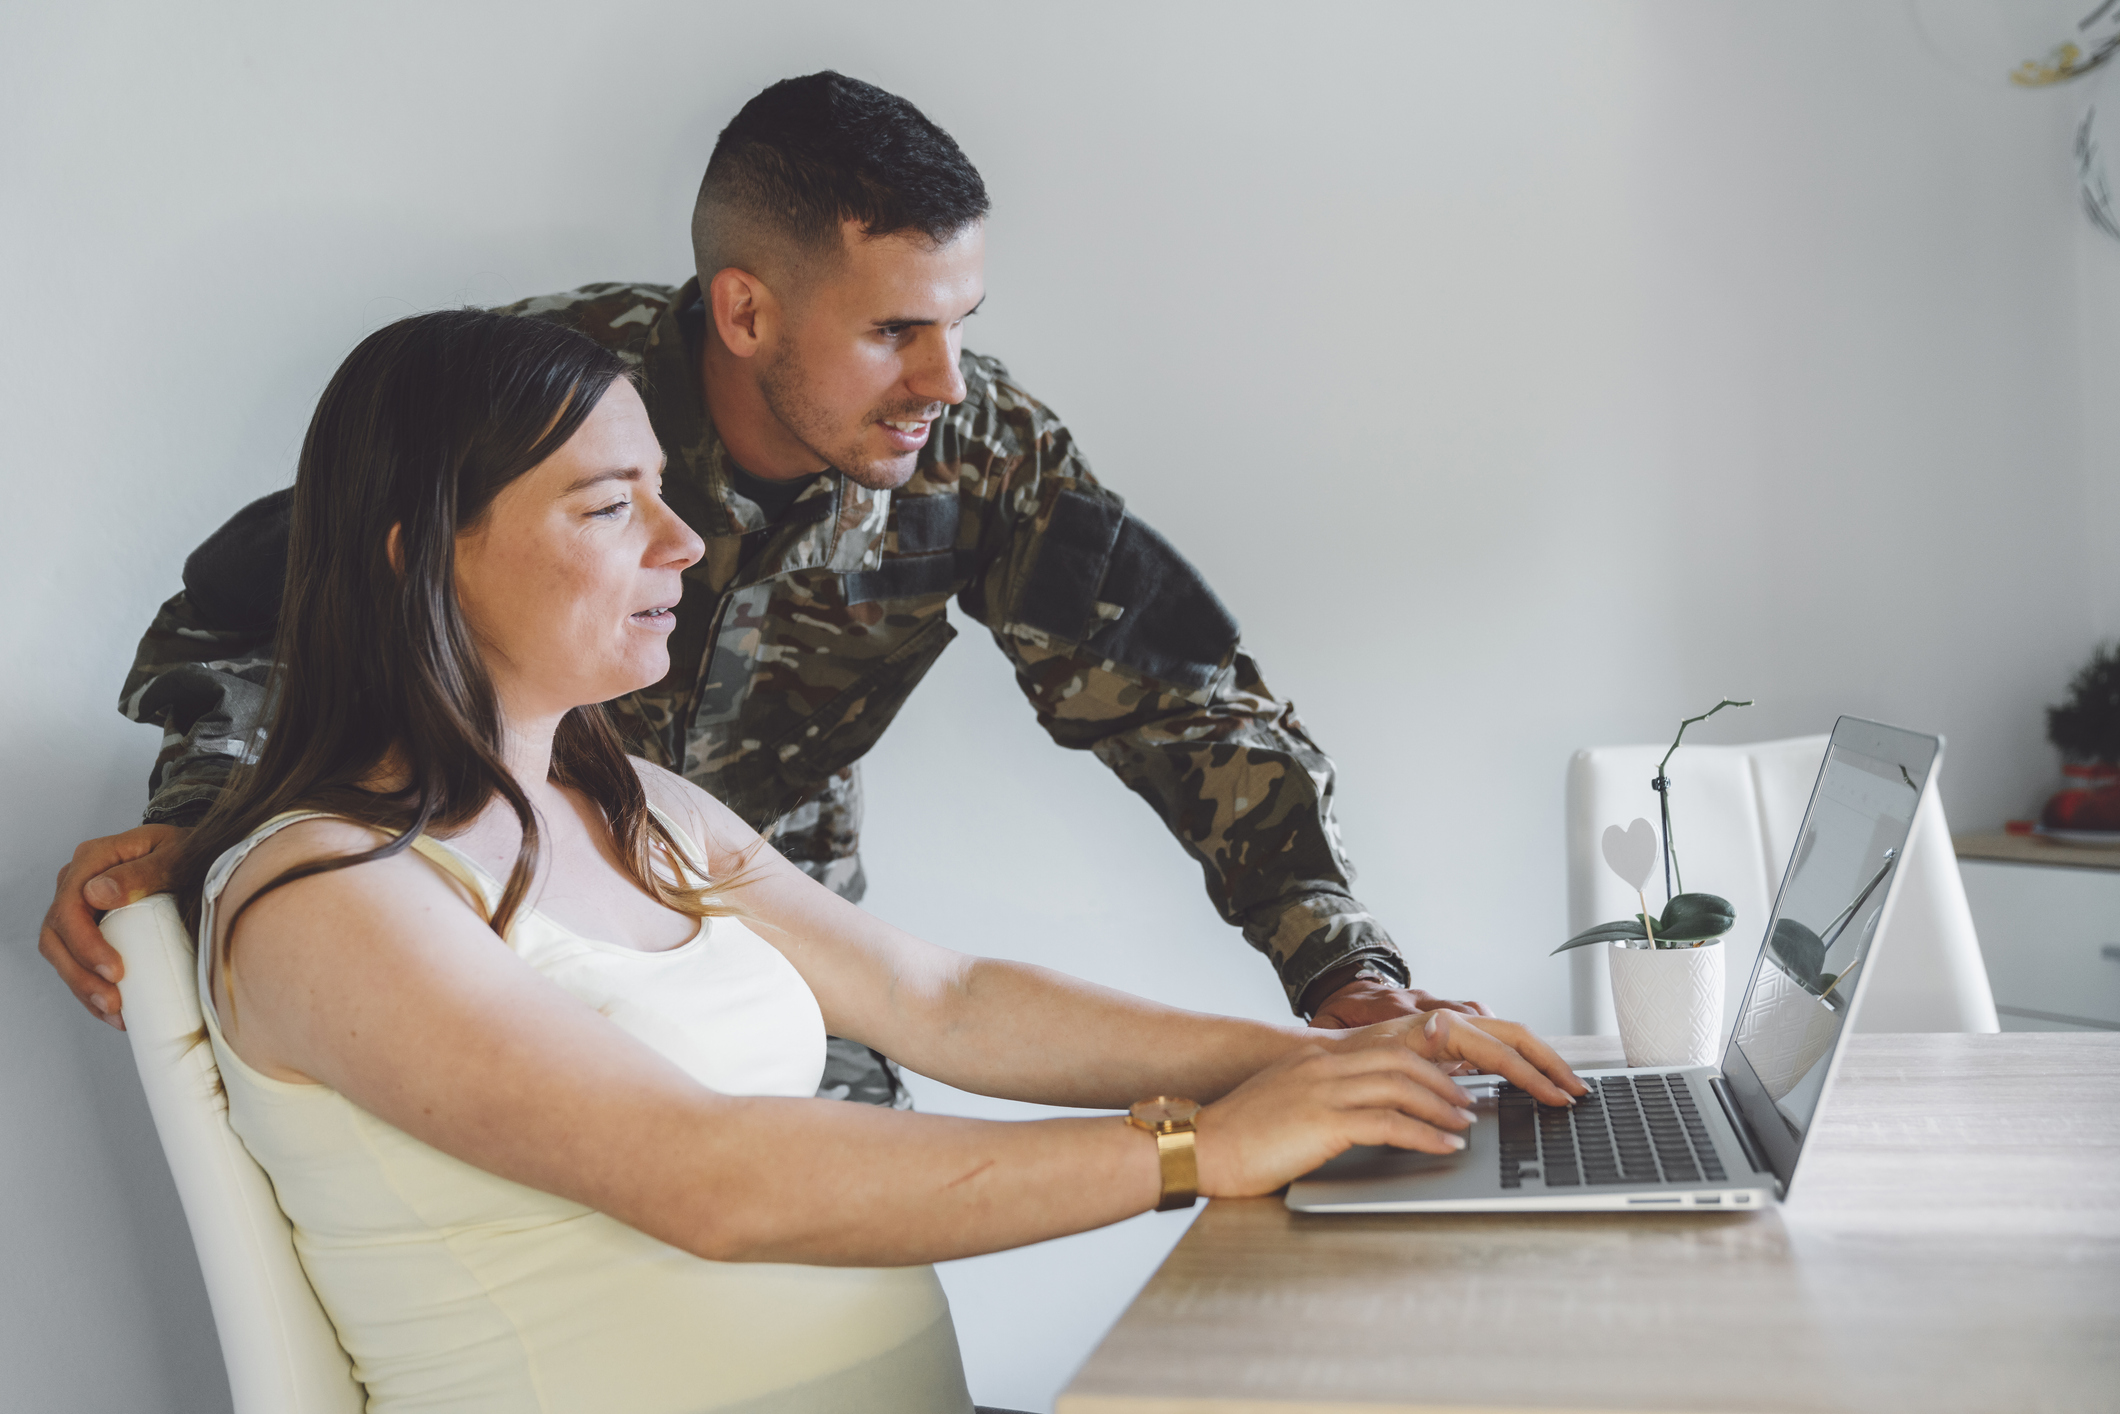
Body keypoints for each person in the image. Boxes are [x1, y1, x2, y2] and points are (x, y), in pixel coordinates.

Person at [180, 304, 1583, 1411]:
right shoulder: (328, 905)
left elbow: (944, 998)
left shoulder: (636, 802)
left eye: (664, 490)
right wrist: (1198, 1150)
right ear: (415, 557)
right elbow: (710, 1177)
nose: (684, 539)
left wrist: (1300, 1062)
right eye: (610, 509)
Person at [42, 72, 1486, 1113]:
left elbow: (1187, 699)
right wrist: (203, 817)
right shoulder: (547, 405)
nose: (945, 379)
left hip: (783, 935)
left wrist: (1340, 978)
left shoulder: (978, 450)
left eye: (962, 324)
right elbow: (248, 600)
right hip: (494, 933)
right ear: (744, 310)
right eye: (895, 330)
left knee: (861, 1294)